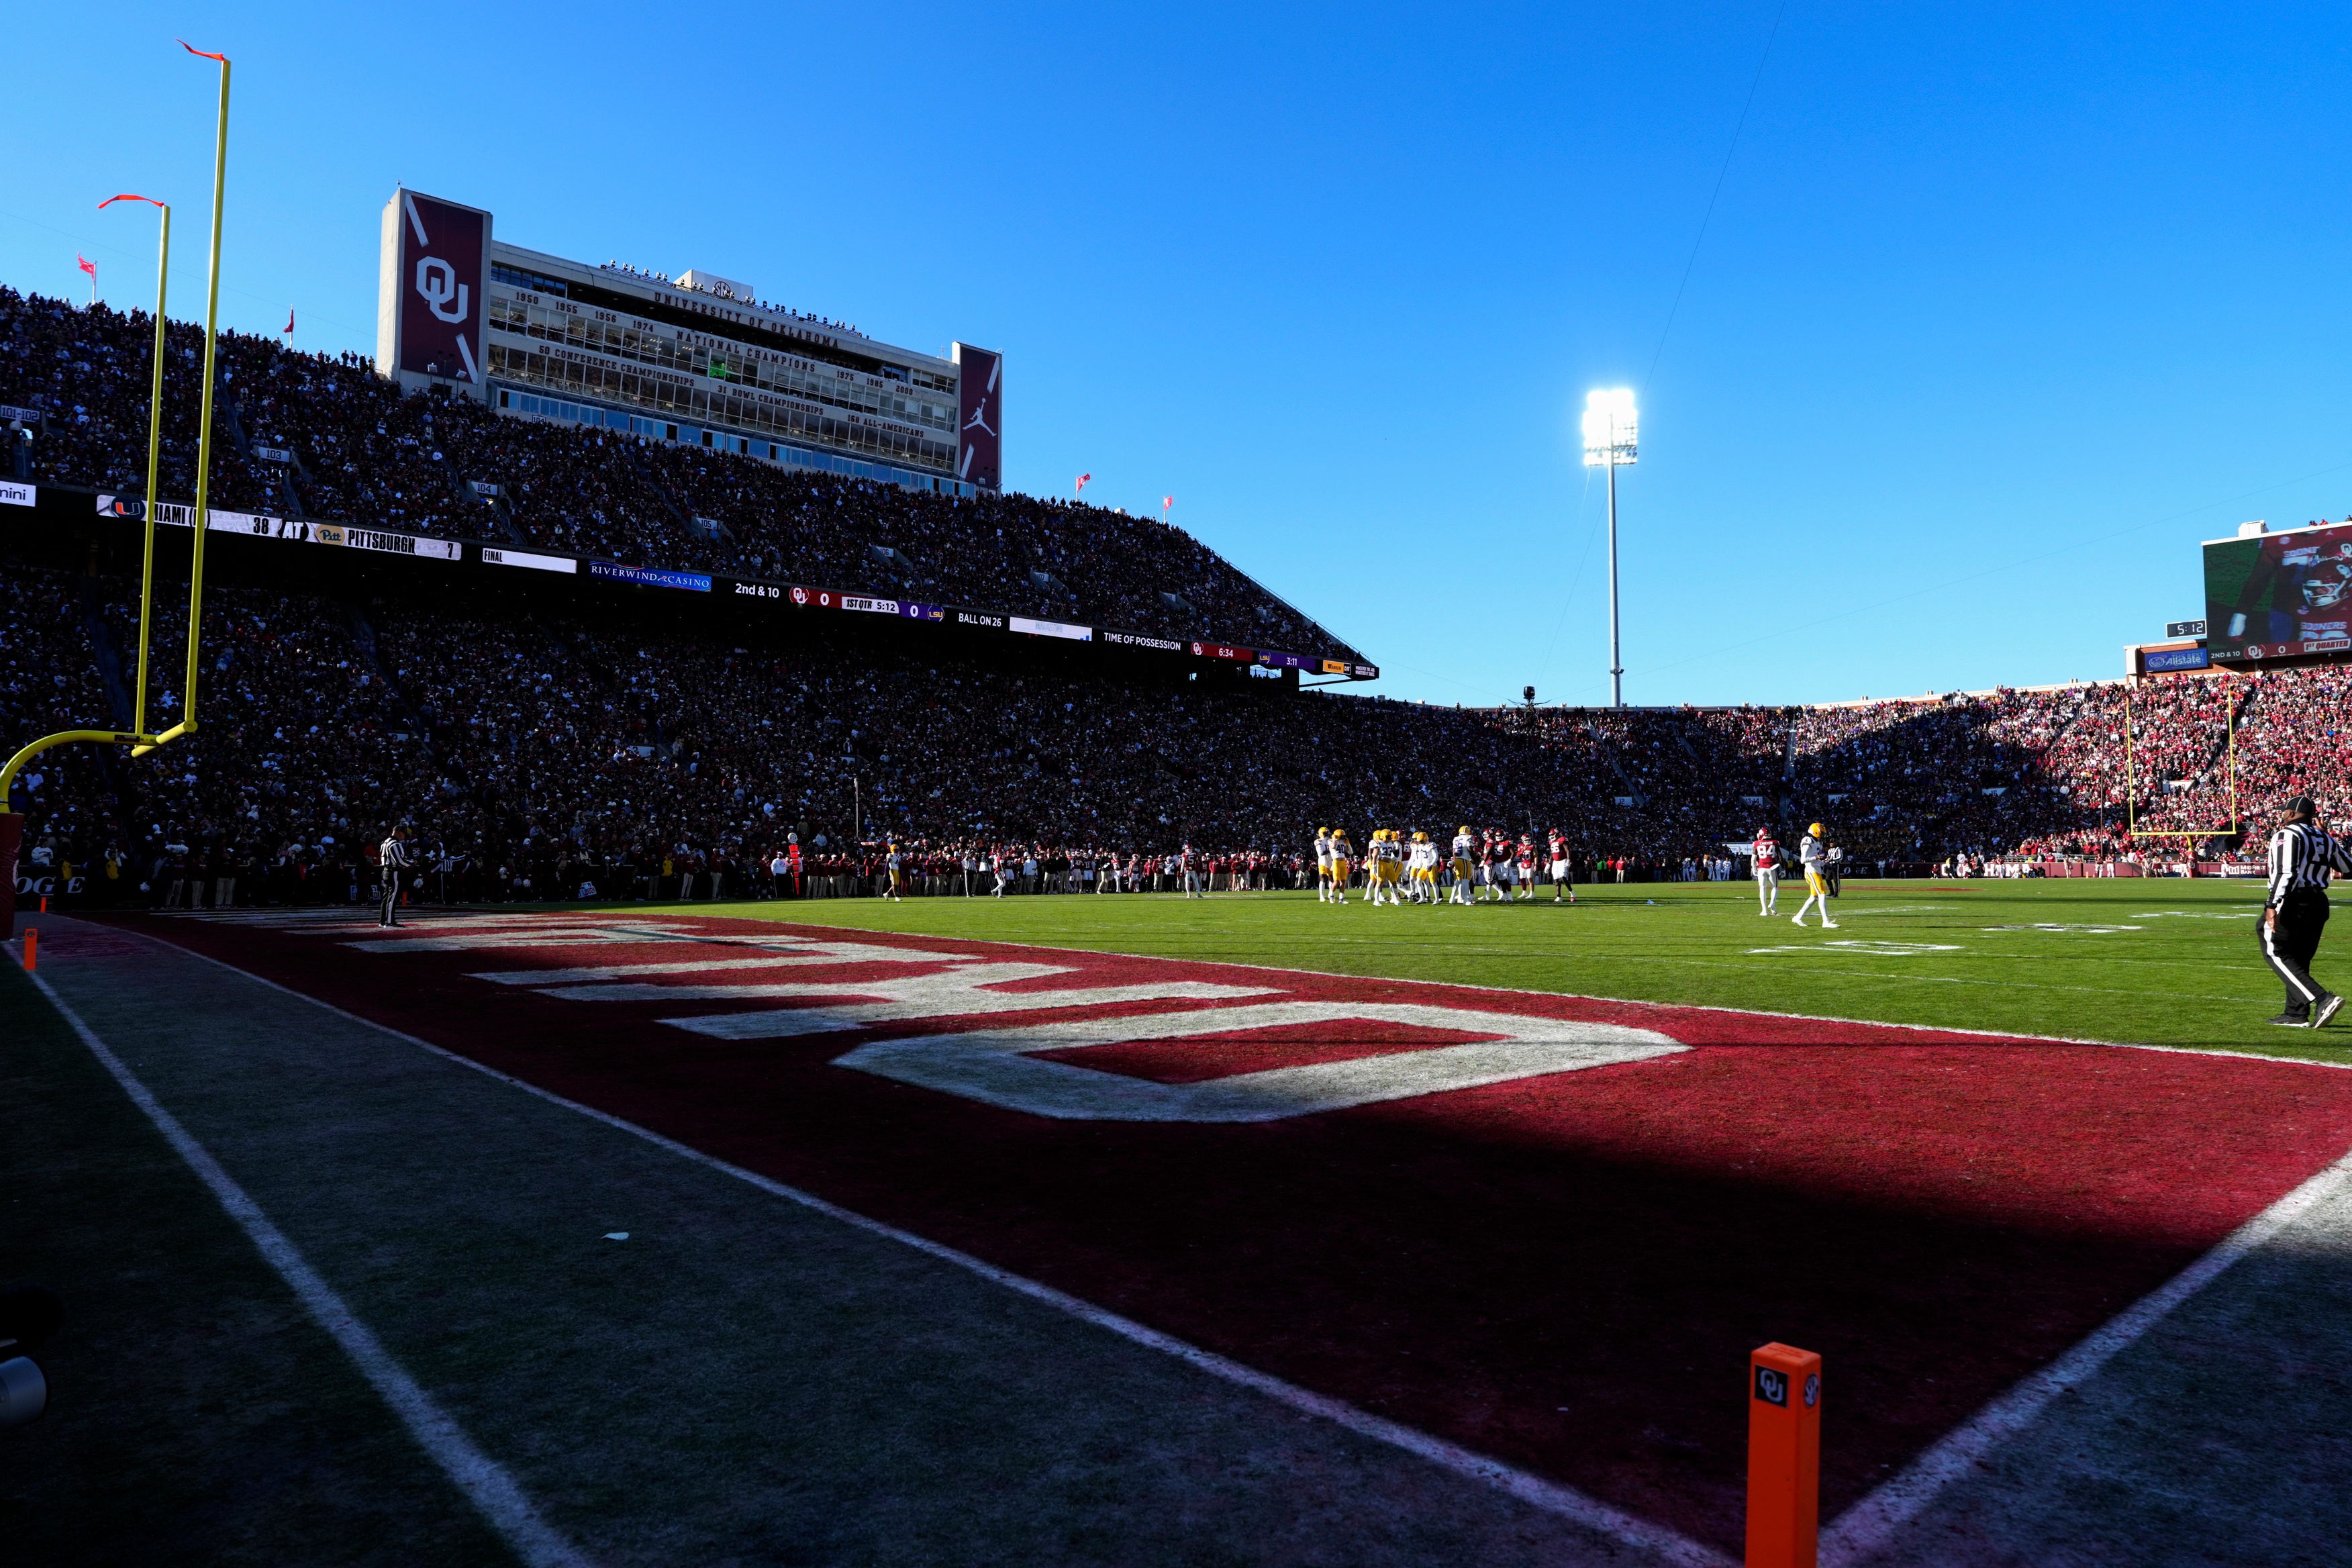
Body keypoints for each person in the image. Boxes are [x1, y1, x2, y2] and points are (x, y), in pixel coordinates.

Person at [2258, 795, 2349, 1028]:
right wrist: (2328, 838)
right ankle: (2296, 1013)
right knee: (2299, 957)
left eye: (2284, 811)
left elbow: (2286, 872)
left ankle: (2323, 999)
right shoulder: (2324, 837)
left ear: (2291, 814)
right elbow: (2348, 867)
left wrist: (2272, 904)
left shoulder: (2287, 834)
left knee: (2275, 950)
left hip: (2294, 900)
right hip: (2318, 902)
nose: (2282, 814)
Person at [1791, 822, 1839, 929]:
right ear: (1816, 832)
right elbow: (1803, 860)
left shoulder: (1816, 842)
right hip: (1811, 871)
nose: (1823, 835)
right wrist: (1817, 857)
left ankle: (1798, 917)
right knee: (1822, 894)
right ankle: (1826, 922)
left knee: (1814, 897)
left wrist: (1826, 866)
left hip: (1816, 870)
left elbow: (1817, 860)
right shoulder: (1807, 840)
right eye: (1821, 833)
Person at [378, 824, 413, 928]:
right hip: (394, 872)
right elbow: (400, 861)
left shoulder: (385, 842)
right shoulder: (395, 844)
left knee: (386, 897)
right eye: (404, 834)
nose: (404, 837)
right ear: (399, 833)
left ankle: (383, 921)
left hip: (385, 871)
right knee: (393, 897)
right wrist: (412, 863)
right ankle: (389, 922)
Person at [1753, 826, 1779, 915]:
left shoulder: (1756, 843)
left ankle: (1764, 911)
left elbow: (1753, 859)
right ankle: (1772, 903)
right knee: (1774, 887)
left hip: (1761, 869)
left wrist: (1754, 869)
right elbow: (1780, 856)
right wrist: (1783, 869)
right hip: (1772, 868)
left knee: (1762, 889)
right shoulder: (1774, 842)